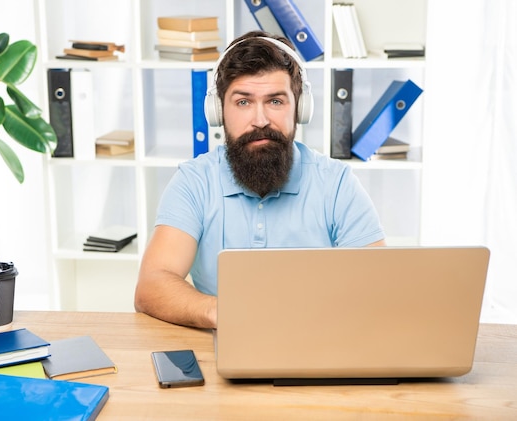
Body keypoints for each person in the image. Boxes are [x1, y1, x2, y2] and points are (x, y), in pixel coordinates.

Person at [134, 31, 386, 329]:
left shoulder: (337, 183)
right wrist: (222, 312)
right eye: (243, 102)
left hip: (319, 340)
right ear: (218, 112)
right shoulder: (194, 181)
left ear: (300, 109)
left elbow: (378, 289)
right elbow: (151, 285)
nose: (261, 120)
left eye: (275, 101)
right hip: (223, 340)